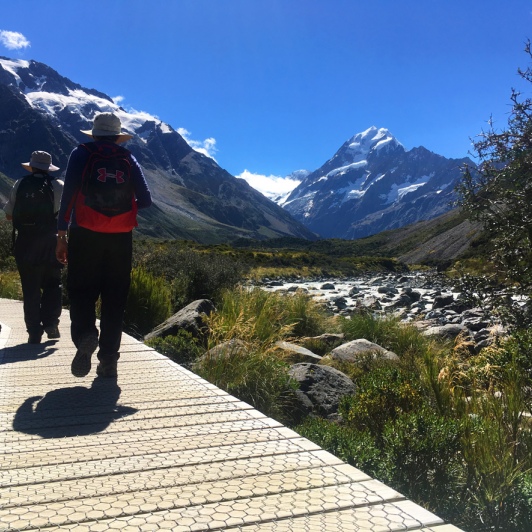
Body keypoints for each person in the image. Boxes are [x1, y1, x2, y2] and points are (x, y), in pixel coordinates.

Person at [56, 112, 152, 378]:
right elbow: (146, 200)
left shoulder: (81, 153)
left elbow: (68, 196)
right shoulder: (128, 158)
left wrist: (61, 235)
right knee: (114, 300)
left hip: (84, 233)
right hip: (121, 238)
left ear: (95, 133)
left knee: (81, 292)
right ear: (118, 136)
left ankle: (86, 335)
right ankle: (109, 360)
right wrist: (121, 209)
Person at [4, 151, 64, 343]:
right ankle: (51, 324)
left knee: (30, 289)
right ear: (49, 167)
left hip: (25, 243)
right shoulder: (58, 186)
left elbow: (9, 215)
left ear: (31, 166)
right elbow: (64, 216)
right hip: (50, 242)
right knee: (53, 284)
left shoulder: (20, 184)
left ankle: (33, 333)